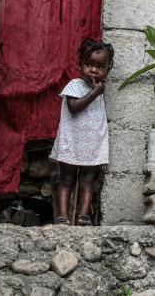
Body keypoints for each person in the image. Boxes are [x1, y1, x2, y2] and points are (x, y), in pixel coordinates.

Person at [49, 38, 114, 226]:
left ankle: (84, 216)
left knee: (88, 180)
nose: (93, 70)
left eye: (100, 66)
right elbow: (73, 107)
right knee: (67, 179)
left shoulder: (99, 88)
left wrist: (97, 91)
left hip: (92, 143)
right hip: (73, 141)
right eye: (88, 64)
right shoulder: (75, 85)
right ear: (79, 65)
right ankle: (62, 216)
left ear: (108, 70)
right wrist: (95, 93)